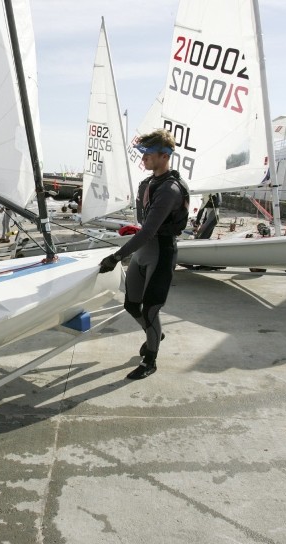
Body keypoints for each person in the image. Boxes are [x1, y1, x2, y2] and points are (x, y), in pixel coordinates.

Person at [99, 129, 190, 380]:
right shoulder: (147, 184)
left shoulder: (170, 189)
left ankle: (150, 359)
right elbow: (142, 223)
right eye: (143, 153)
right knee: (131, 304)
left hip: (160, 253)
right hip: (142, 253)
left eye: (149, 154)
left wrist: (116, 257)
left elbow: (149, 231)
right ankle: (155, 335)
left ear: (164, 155)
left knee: (151, 310)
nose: (144, 158)